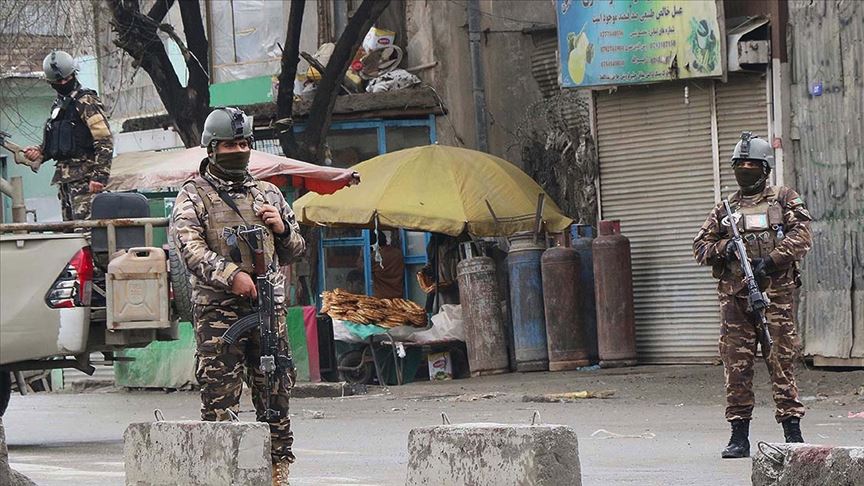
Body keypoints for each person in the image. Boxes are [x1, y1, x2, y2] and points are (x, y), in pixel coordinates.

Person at [170, 107, 305, 484]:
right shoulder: (193, 195)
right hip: (219, 314)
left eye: (244, 143)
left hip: (268, 308)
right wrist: (231, 276)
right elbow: (189, 247)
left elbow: (296, 249)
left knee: (276, 393)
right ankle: (219, 475)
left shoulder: (268, 192)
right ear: (212, 149)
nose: (239, 150)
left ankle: (278, 472)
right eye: (231, 144)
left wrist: (281, 230)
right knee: (220, 398)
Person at [693, 132, 812, 459]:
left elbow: (802, 235)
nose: (745, 169)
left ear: (765, 168)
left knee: (781, 362)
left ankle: (792, 432)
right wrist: (724, 247)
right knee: (737, 368)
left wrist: (770, 262)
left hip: (775, 299)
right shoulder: (726, 209)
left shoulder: (784, 199)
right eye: (739, 165)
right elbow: (699, 248)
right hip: (735, 302)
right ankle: (738, 436)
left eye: (751, 164)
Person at [23, 50, 113, 221]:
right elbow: (55, 145)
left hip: (86, 182)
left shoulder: (86, 101)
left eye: (67, 78)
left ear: (74, 74)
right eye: (59, 81)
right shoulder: (58, 106)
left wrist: (99, 176)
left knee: (87, 233)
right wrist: (39, 153)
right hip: (66, 183)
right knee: (70, 235)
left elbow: (104, 139)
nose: (63, 83)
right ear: (51, 82)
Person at [368, 230, 405, 299]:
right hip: (398, 298)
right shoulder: (398, 253)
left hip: (381, 299)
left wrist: (363, 249)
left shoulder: (375, 257)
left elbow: (361, 267)